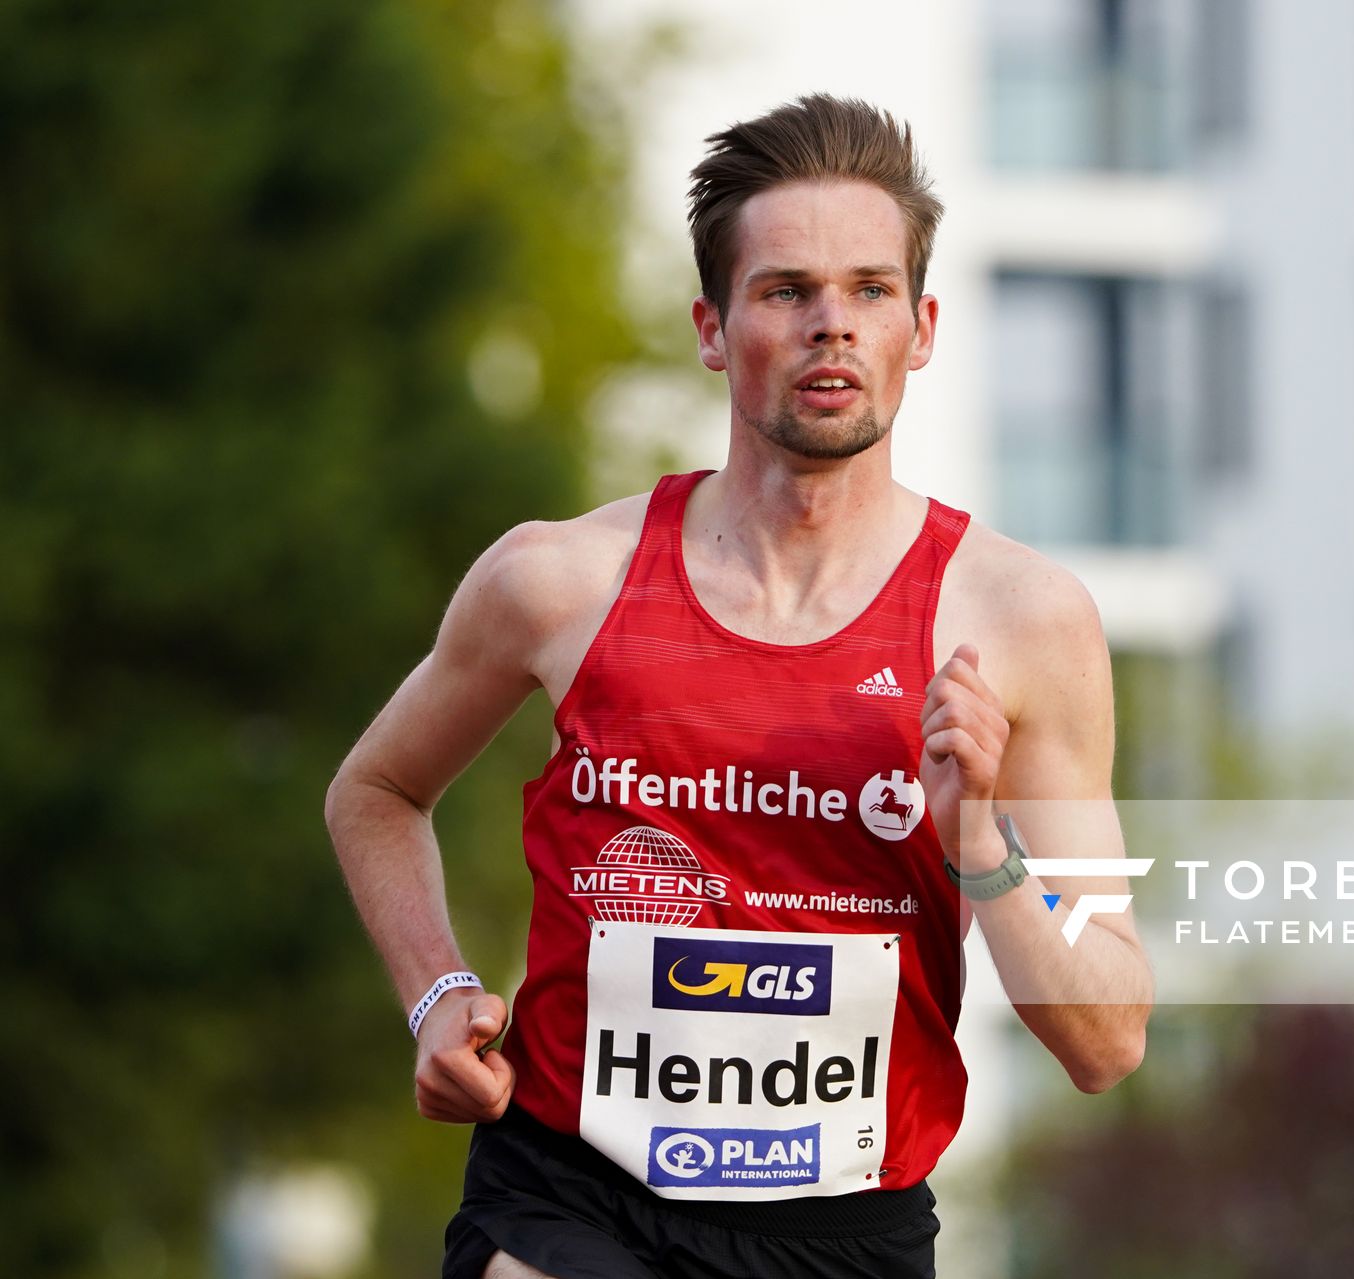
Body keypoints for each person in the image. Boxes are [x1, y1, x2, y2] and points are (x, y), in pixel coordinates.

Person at [324, 93, 1152, 1279]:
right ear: (714, 329)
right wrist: (437, 989)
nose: (833, 326)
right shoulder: (559, 579)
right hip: (568, 1191)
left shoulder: (1021, 622)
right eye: (787, 291)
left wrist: (981, 842)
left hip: (844, 1231)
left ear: (921, 330)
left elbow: (1108, 1036)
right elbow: (376, 789)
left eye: (870, 292)